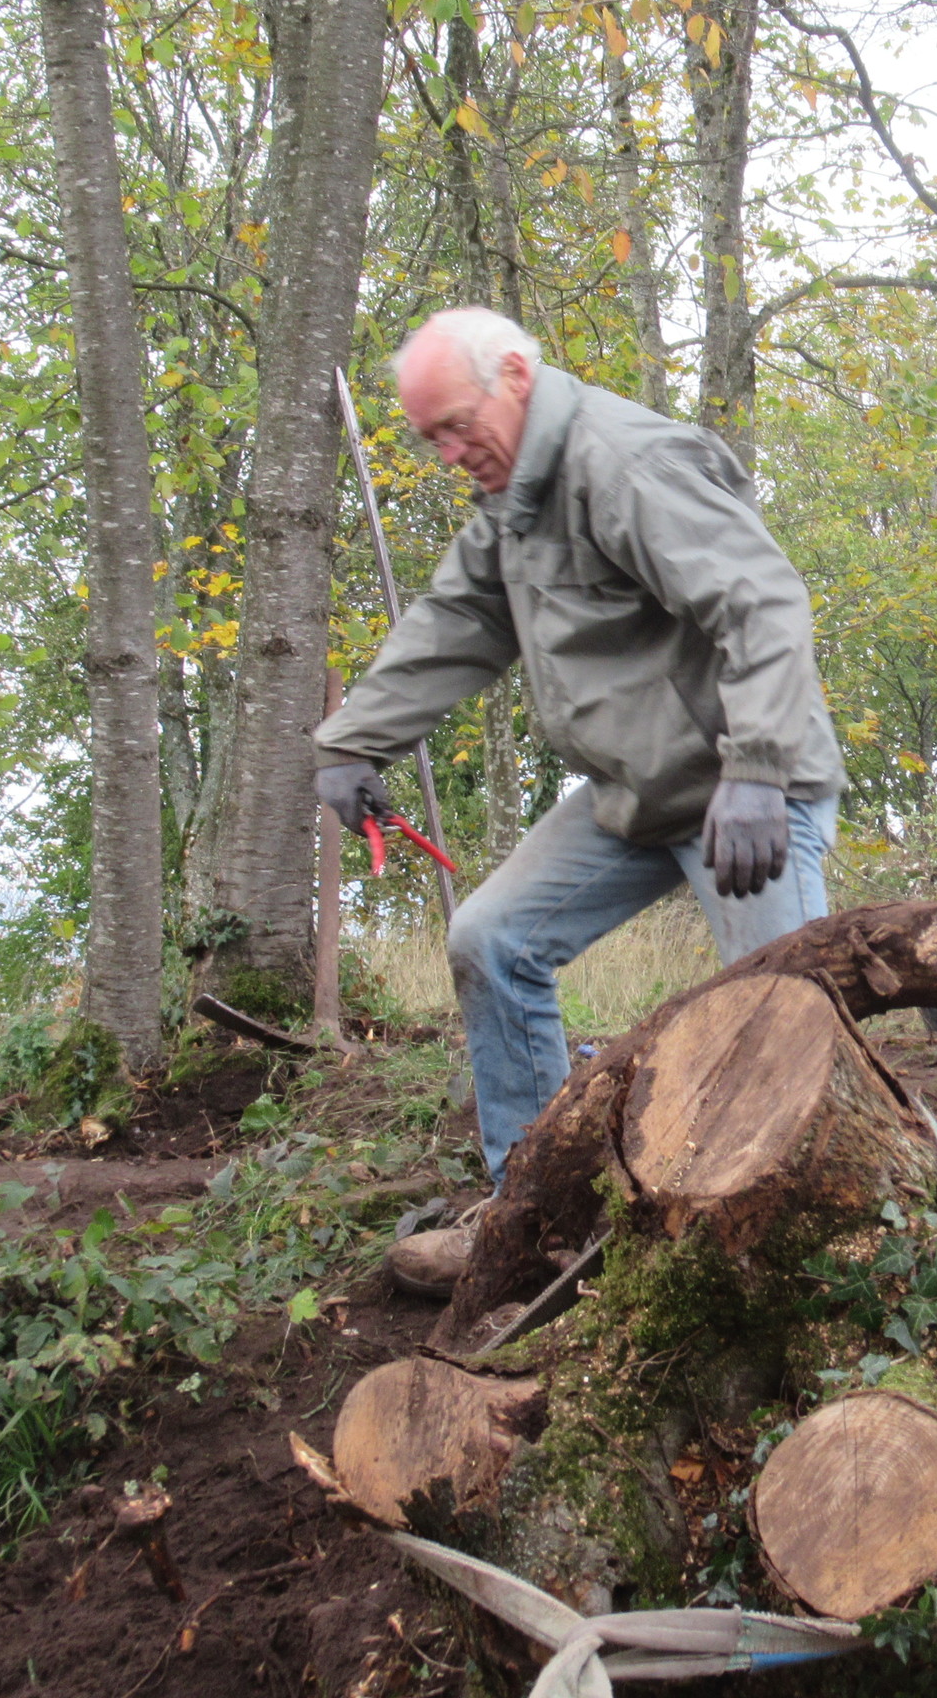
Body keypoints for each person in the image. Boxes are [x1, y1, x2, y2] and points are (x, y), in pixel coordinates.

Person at [314, 308, 846, 1289]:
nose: (448, 452)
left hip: (746, 793)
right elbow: (456, 622)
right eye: (431, 436)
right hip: (636, 793)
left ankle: (810, 1258)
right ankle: (534, 1221)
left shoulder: (625, 461)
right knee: (491, 941)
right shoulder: (514, 501)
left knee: (779, 1015)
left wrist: (759, 768)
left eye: (456, 424)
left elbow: (763, 602)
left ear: (516, 376)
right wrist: (353, 743)